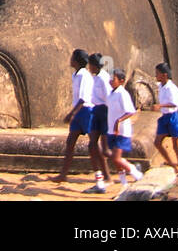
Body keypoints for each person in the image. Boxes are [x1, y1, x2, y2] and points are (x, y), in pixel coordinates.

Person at [51, 48, 96, 183]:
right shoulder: (76, 75)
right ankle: (63, 174)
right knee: (70, 142)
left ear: (76, 61)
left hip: (85, 110)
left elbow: (83, 98)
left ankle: (103, 174)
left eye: (72, 57)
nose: (70, 59)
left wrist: (72, 113)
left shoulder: (84, 75)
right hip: (78, 111)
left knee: (93, 144)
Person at [107, 68, 143, 188]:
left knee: (116, 158)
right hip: (111, 131)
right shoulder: (112, 93)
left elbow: (130, 111)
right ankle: (124, 183)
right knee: (115, 159)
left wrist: (119, 121)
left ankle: (136, 173)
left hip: (122, 131)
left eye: (113, 79)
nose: (111, 81)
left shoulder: (122, 94)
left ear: (121, 81)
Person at [153, 62, 178, 174]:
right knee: (157, 143)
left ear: (164, 75)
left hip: (173, 117)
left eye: (157, 73)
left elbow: (176, 103)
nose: (156, 76)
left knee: (176, 146)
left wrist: (160, 105)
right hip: (164, 117)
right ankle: (172, 164)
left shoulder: (171, 88)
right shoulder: (161, 86)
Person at [86, 54, 111, 192]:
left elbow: (109, 98)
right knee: (92, 145)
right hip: (96, 111)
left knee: (106, 149)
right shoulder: (94, 78)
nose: (89, 68)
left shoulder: (103, 79)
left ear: (94, 65)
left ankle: (127, 168)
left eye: (90, 65)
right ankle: (101, 177)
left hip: (104, 112)